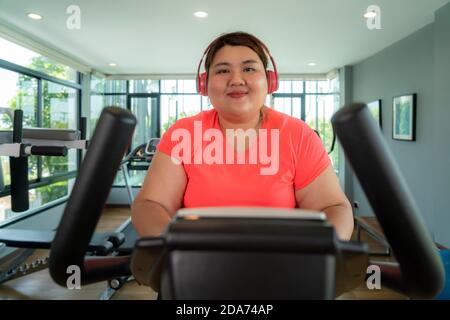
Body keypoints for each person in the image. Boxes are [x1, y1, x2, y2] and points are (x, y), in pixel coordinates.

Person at [131, 31, 354, 240]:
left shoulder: (298, 135)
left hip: (285, 268)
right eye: (222, 70)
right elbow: (150, 204)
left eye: (249, 69)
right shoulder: (184, 134)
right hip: (195, 267)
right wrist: (174, 251)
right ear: (204, 83)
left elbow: (334, 208)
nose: (236, 80)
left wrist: (315, 257)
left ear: (270, 81)